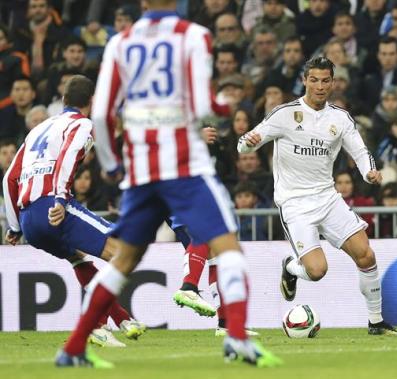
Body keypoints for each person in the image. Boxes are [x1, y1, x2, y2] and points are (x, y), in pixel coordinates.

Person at [55, 0, 281, 368]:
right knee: (227, 246)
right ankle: (236, 336)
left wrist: (112, 167)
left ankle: (74, 346)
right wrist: (222, 107)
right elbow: (204, 99)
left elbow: (102, 111)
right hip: (184, 167)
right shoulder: (193, 35)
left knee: (122, 260)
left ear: (143, 4)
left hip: (143, 171)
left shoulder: (119, 43)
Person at [238, 56, 397, 336]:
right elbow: (244, 144)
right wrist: (248, 144)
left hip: (327, 198)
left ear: (333, 82)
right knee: (316, 271)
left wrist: (368, 172)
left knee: (366, 254)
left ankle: (376, 321)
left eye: (325, 80)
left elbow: (360, 151)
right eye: (314, 80)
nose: (320, 86)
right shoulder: (284, 114)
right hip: (295, 204)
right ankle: (291, 267)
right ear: (304, 81)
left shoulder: (339, 118)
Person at [2, 75, 146, 348]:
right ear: (91, 101)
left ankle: (121, 319)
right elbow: (67, 158)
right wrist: (58, 198)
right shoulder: (81, 124)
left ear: (64, 100)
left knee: (78, 259)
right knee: (123, 251)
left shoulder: (38, 129)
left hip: (29, 220)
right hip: (53, 206)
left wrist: (15, 226)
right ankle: (96, 325)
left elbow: (9, 177)